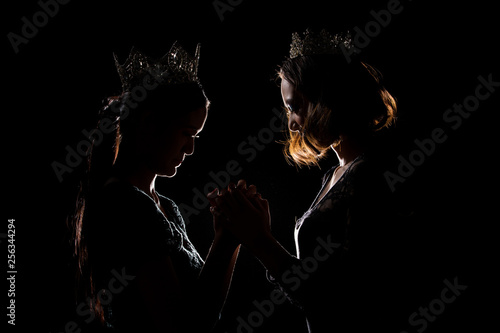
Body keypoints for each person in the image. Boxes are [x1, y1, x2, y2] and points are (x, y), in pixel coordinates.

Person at [212, 30, 411, 332]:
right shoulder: (335, 175)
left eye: (295, 106)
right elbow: (317, 281)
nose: (291, 122)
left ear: (326, 97)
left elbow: (339, 299)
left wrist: (260, 240)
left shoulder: (374, 175)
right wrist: (259, 233)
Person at [69, 42, 240, 332]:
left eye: (197, 136)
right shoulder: (126, 205)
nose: (190, 148)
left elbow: (199, 302)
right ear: (149, 123)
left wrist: (229, 234)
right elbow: (182, 327)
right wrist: (228, 240)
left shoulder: (164, 206)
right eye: (187, 133)